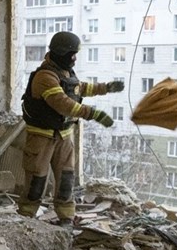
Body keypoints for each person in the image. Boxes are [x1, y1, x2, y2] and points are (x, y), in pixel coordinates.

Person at [19, 31, 123, 230]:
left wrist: (106, 88)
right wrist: (93, 114)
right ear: (60, 53)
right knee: (36, 181)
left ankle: (66, 217)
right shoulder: (44, 77)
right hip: (41, 138)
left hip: (64, 136)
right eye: (71, 54)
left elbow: (79, 88)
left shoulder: (65, 73)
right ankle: (26, 219)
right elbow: (63, 104)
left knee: (66, 180)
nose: (74, 59)